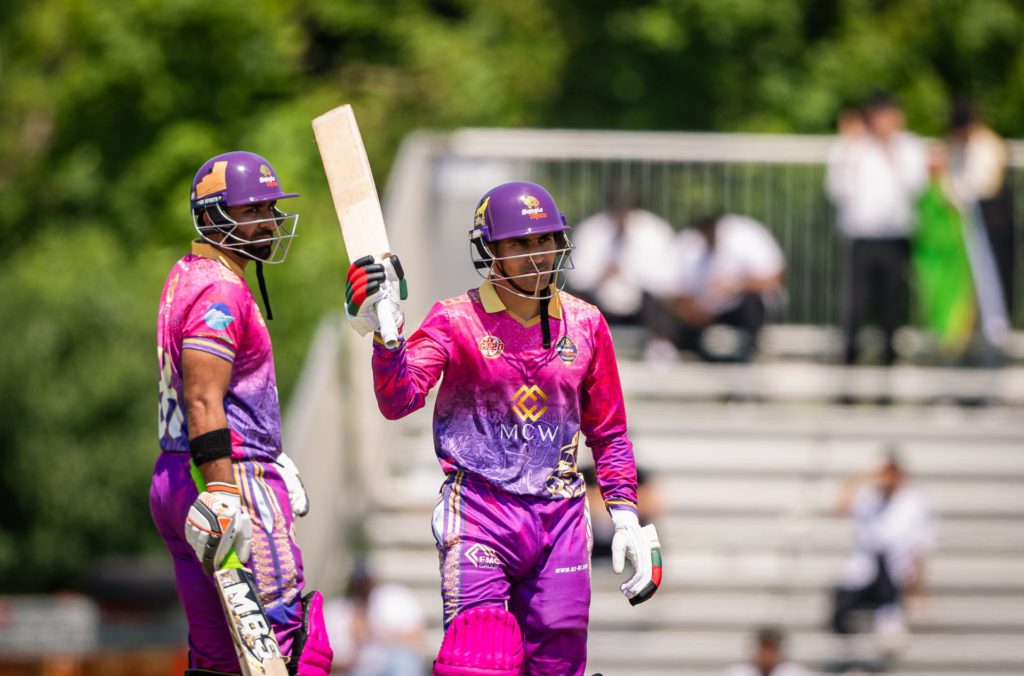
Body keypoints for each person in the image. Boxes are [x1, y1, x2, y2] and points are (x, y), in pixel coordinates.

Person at [344, 181, 661, 675]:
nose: (536, 255)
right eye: (519, 244)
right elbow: (398, 400)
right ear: (490, 251)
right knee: (480, 657)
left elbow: (610, 433)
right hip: (480, 514)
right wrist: (387, 339)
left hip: (559, 520)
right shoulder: (454, 320)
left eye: (544, 241)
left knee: (558, 665)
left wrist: (624, 514)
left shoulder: (587, 323)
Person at [150, 151, 333, 675]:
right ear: (212, 218)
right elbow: (204, 398)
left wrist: (272, 450)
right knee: (284, 648)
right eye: (254, 211)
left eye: (270, 209)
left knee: (217, 661)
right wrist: (228, 490)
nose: (270, 222)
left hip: (176, 475)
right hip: (228, 477)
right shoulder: (221, 288)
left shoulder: (188, 272)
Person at [826, 93, 929, 366]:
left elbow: (916, 186)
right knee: (854, 309)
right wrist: (849, 148)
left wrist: (889, 149)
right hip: (860, 237)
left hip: (895, 237)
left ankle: (888, 375)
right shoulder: (851, 147)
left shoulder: (910, 146)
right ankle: (848, 378)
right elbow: (836, 189)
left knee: (891, 310)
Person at [830, 451, 935, 657]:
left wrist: (919, 584)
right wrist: (862, 478)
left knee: (887, 593)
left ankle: (888, 626)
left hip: (896, 572)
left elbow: (920, 546)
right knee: (840, 603)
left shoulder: (914, 503)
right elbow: (840, 509)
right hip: (865, 570)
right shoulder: (868, 498)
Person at [663, 213, 785, 362]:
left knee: (752, 303)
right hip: (703, 318)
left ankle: (747, 352)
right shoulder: (689, 247)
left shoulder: (744, 236)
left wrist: (737, 286)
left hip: (740, 311)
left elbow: (774, 279)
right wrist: (692, 310)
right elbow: (675, 293)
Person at [567, 181, 676, 330]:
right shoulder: (590, 230)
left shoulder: (655, 230)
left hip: (644, 306)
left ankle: (659, 344)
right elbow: (575, 277)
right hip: (600, 301)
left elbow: (668, 279)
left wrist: (631, 273)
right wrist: (600, 274)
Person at [324, 562, 427, 675]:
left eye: (365, 583)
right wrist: (353, 656)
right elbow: (325, 660)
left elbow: (416, 638)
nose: (362, 588)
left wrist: (376, 633)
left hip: (391, 663)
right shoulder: (335, 612)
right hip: (359, 669)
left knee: (404, 660)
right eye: (359, 583)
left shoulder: (393, 598)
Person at [722, 627, 809, 676]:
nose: (767, 655)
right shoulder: (738, 672)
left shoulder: (793, 672)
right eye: (764, 648)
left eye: (771, 649)